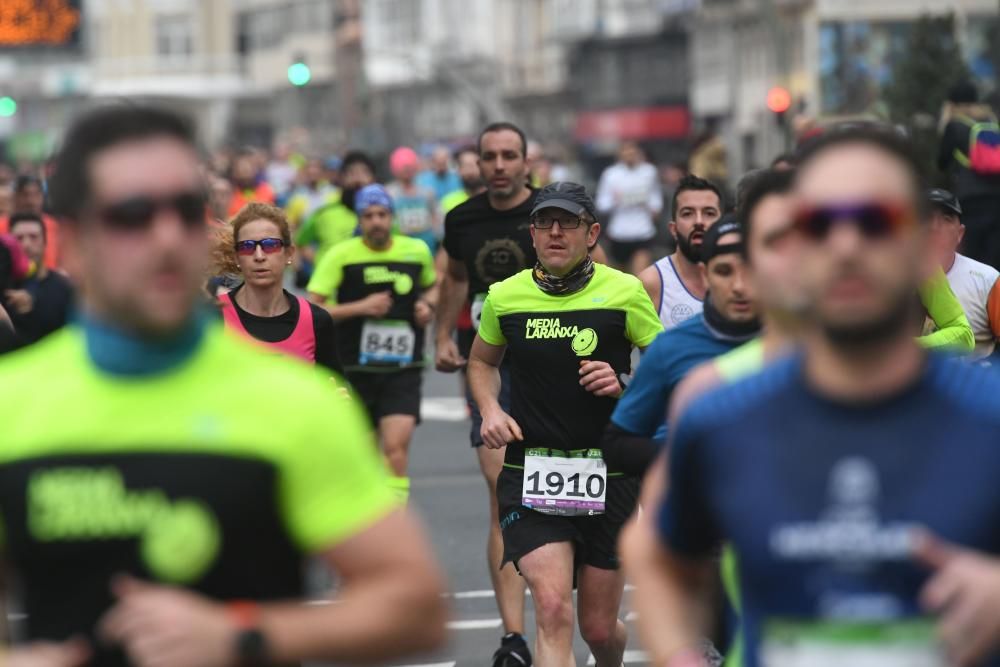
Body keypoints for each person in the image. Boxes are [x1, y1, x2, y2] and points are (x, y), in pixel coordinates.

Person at [0, 105, 447, 666]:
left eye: (186, 212)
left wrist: (244, 636)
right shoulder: (12, 404)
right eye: (133, 215)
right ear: (72, 240)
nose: (166, 237)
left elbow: (414, 604)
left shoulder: (294, 401)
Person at [635, 125, 1000, 667]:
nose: (847, 245)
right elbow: (655, 556)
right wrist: (675, 654)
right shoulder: (719, 412)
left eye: (876, 221)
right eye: (821, 223)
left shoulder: (987, 418)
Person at [469, 181, 662, 667]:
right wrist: (491, 410)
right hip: (532, 472)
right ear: (531, 233)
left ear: (592, 232)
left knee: (598, 629)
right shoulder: (505, 297)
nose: (555, 232)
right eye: (543, 222)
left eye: (568, 222)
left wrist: (624, 382)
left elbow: (666, 369)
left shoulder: (625, 291)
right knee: (553, 609)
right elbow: (482, 363)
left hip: (609, 475)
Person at [602, 216, 760, 477]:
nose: (739, 287)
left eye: (749, 271)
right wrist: (686, 458)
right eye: (724, 271)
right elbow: (618, 443)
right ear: (705, 275)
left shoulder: (797, 345)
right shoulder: (671, 347)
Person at [308, 184, 437, 502]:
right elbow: (314, 308)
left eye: (382, 214)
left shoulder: (416, 250)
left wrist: (427, 305)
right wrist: (361, 308)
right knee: (363, 454)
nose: (376, 221)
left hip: (403, 366)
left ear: (392, 216)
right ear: (359, 219)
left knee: (395, 450)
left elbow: (433, 286)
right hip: (354, 366)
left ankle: (394, 519)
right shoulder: (341, 255)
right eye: (368, 216)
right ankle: (365, 517)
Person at [217, 202, 341, 374]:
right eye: (247, 247)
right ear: (237, 258)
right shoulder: (212, 316)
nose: (259, 256)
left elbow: (334, 390)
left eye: (270, 245)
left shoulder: (316, 320)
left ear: (289, 254)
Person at [638, 175, 724, 330]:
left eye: (709, 213)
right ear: (673, 229)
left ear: (722, 224)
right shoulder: (652, 282)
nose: (699, 221)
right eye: (687, 213)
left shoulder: (741, 280)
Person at [927, 187, 1000, 358]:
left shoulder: (988, 281)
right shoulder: (891, 276)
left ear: (960, 234)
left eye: (945, 219)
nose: (934, 227)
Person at [937, 80, 1000, 270]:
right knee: (993, 252)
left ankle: (977, 297)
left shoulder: (954, 125)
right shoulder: (991, 122)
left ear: (952, 104)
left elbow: (942, 161)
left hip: (969, 197)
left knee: (972, 253)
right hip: (996, 194)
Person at [3, 212, 73, 349]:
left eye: (33, 237)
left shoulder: (64, 287)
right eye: (18, 238)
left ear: (45, 242)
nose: (26, 244)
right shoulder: (3, 287)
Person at [296, 150, 376, 268]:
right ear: (342, 178)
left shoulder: (381, 215)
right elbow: (301, 242)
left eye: (364, 173)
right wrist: (321, 263)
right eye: (352, 173)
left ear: (373, 178)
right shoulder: (325, 213)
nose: (358, 179)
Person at [595, 141, 663, 275]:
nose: (629, 155)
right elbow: (601, 204)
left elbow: (656, 198)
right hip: (619, 233)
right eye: (626, 152)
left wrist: (653, 208)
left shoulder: (649, 171)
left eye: (632, 152)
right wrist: (615, 200)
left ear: (638, 152)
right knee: (621, 278)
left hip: (643, 231)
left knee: (640, 278)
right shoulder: (611, 174)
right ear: (620, 154)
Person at [0, 174, 61, 270]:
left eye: (36, 195)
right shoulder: (1, 226)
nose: (31, 201)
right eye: (25, 195)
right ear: (15, 196)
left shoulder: (56, 227)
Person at [387, 146, 440, 254]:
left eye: (409, 166)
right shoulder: (389, 194)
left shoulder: (427, 192)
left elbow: (436, 215)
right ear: (394, 169)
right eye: (402, 166)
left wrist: (437, 236)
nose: (407, 170)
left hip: (428, 245)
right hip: (401, 247)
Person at [285, 157, 339, 229]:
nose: (312, 171)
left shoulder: (334, 194)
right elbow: (290, 223)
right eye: (309, 168)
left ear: (323, 172)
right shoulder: (298, 196)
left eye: (316, 168)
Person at [227, 149, 275, 217]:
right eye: (242, 165)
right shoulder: (227, 192)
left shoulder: (268, 191)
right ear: (234, 170)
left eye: (250, 164)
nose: (246, 168)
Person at [440, 145, 485, 214]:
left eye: (474, 165)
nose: (470, 171)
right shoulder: (448, 202)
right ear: (458, 171)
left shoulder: (496, 200)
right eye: (465, 166)